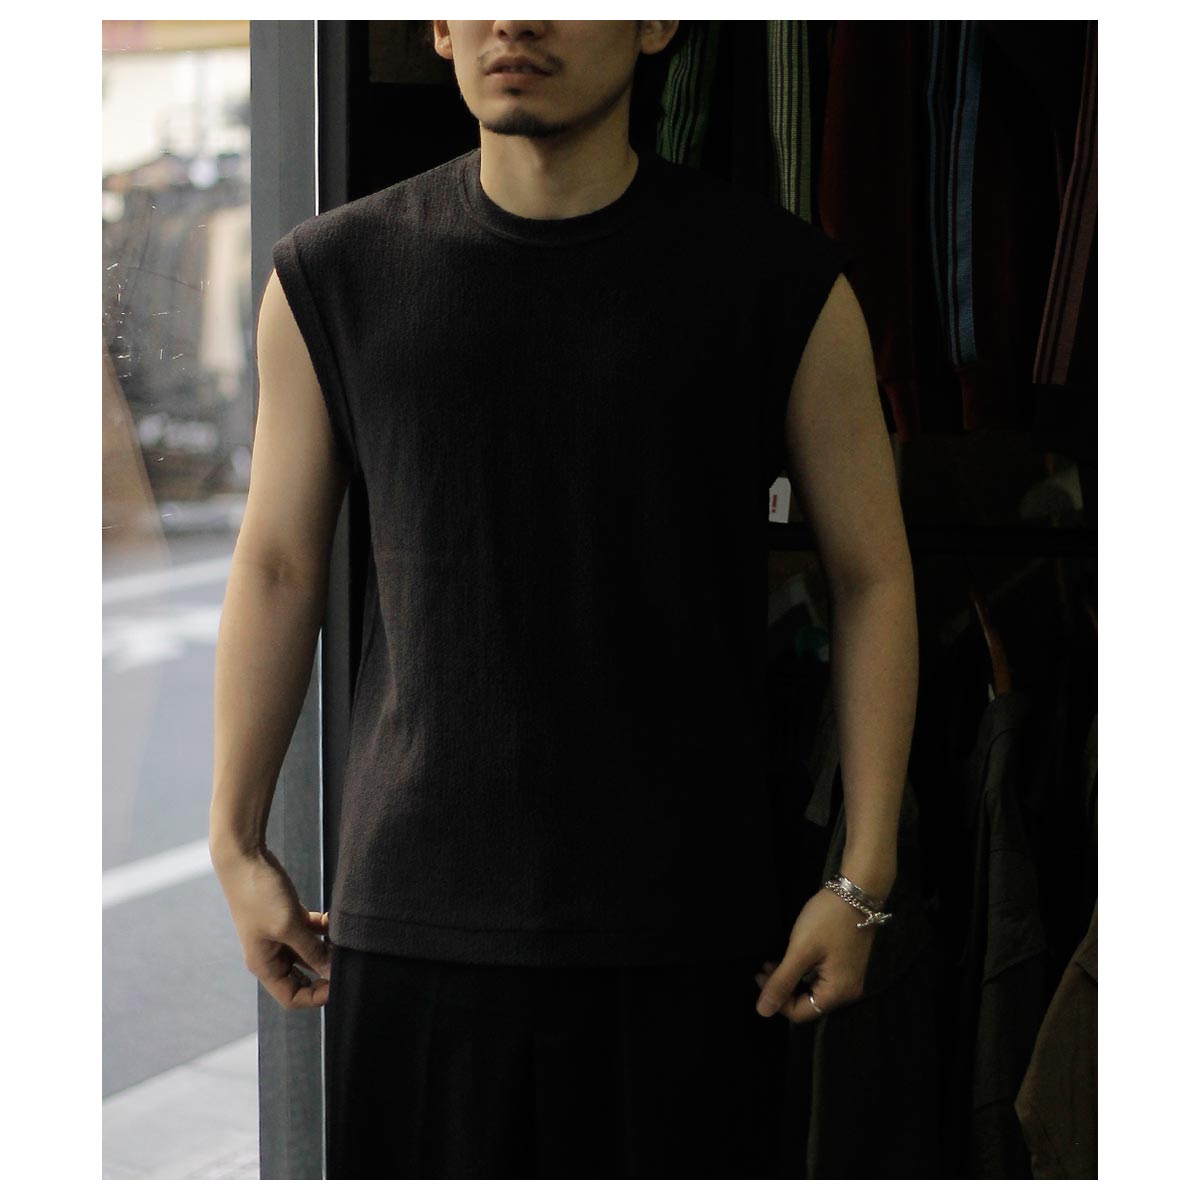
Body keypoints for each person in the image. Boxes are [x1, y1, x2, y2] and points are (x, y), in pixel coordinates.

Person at [210, 18, 918, 1180]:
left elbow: (872, 576)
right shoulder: (333, 275)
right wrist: (237, 844)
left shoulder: (779, 280)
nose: (518, 19)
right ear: (440, 25)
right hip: (414, 925)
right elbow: (278, 565)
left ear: (658, 21)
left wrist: (864, 875)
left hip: (693, 939)